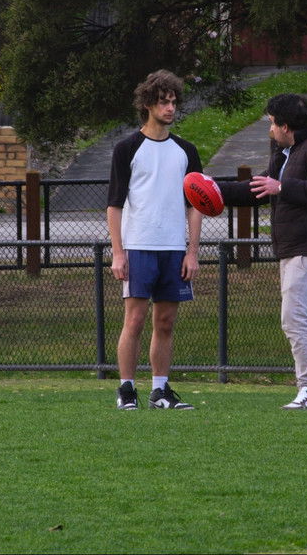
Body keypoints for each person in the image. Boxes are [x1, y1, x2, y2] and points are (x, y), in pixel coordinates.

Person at [217, 93, 307, 410]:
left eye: (272, 124)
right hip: (293, 246)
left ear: (285, 125)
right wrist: (212, 190)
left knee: (295, 318)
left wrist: (283, 188)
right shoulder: (288, 151)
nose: (270, 131)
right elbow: (262, 188)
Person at [106, 69, 203, 410]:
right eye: (164, 102)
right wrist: (118, 253)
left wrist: (192, 252)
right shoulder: (127, 148)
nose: (170, 108)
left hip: (174, 249)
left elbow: (196, 206)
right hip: (139, 246)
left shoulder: (186, 151)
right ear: (148, 104)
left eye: (174, 102)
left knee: (165, 321)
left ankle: (160, 391)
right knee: (134, 320)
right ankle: (126, 390)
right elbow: (114, 206)